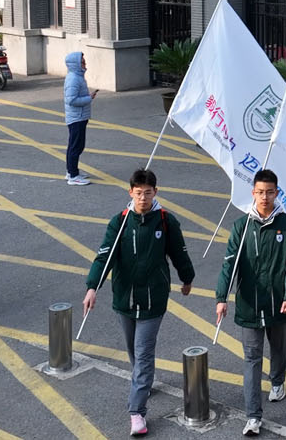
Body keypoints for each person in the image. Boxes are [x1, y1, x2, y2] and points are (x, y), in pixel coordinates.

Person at [83, 168, 195, 438]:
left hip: (153, 300)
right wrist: (92, 287)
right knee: (134, 350)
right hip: (124, 298)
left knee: (143, 354)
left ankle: (137, 412)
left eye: (148, 193)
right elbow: (104, 257)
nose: (143, 198)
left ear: (156, 192)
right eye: (138, 193)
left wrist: (187, 278)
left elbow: (179, 253)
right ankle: (143, 382)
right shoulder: (119, 222)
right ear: (130, 192)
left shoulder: (166, 221)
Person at [217, 169, 286, 438]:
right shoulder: (241, 227)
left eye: (269, 192)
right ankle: (253, 416)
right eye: (260, 192)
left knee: (280, 348)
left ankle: (277, 380)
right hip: (249, 306)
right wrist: (221, 298)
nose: (264, 197)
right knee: (252, 358)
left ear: (277, 193)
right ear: (252, 193)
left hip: (279, 304)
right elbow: (229, 264)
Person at [63, 52, 96, 186]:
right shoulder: (74, 79)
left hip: (79, 116)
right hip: (76, 118)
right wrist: (89, 98)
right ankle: (73, 176)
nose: (84, 63)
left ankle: (71, 171)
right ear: (75, 64)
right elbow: (71, 100)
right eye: (82, 62)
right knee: (76, 146)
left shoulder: (77, 77)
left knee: (75, 145)